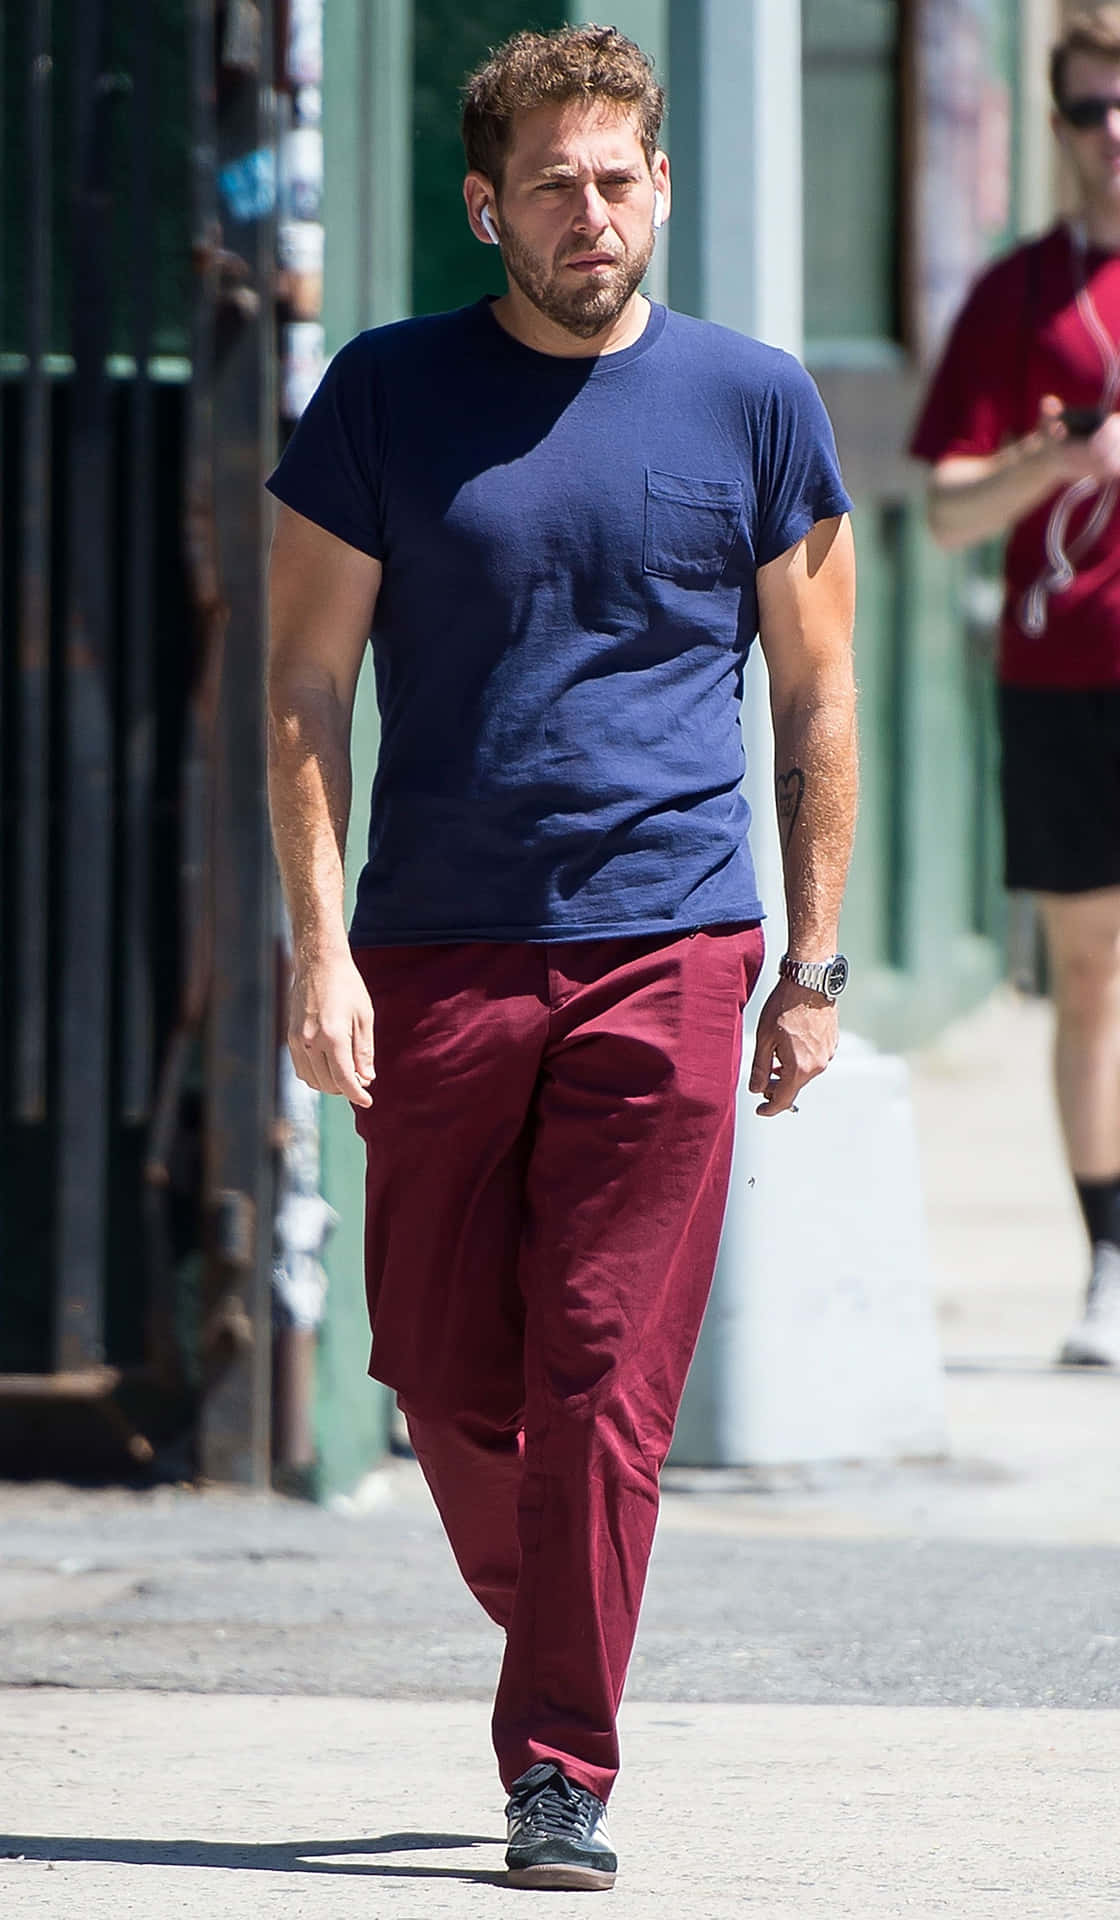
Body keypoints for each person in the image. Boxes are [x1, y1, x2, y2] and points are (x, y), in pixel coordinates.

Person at [266, 24, 856, 1892]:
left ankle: (558, 1767)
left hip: (671, 939)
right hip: (436, 942)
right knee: (442, 1376)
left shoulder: (756, 404)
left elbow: (824, 696)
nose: (589, 214)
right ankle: (564, 1620)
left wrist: (814, 966)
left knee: (605, 1370)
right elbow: (300, 681)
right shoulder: (382, 394)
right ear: (483, 205)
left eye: (618, 179)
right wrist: (315, 948)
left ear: (660, 186)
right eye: (551, 184)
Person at [910, 7, 1120, 1372]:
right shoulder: (1015, 299)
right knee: (1091, 971)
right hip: (1063, 677)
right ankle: (1108, 1263)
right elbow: (942, 515)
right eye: (1095, 110)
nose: (1118, 135)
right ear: (1057, 128)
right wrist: (1059, 464)